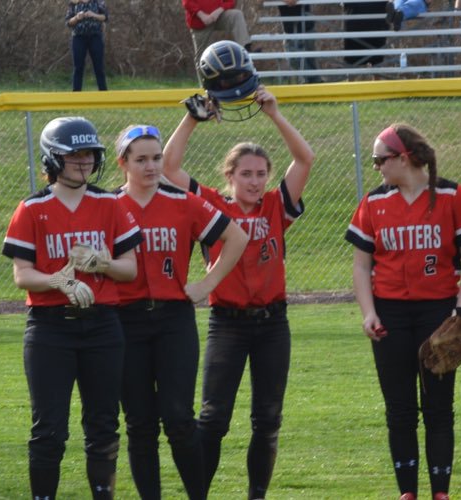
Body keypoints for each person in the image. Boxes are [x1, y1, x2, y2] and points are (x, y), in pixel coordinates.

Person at [161, 86, 316, 499]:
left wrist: (274, 114)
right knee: (214, 419)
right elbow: (169, 168)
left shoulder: (275, 206)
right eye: (246, 174)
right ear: (229, 176)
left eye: (261, 173)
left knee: (267, 420)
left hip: (273, 324)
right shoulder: (212, 205)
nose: (255, 181)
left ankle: (256, 495)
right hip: (227, 323)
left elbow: (305, 159)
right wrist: (191, 119)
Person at [3, 117, 142, 499]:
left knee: (103, 425)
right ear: (52, 158)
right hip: (50, 328)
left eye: (89, 154)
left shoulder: (109, 204)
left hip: (103, 326)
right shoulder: (32, 208)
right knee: (49, 429)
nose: (84, 162)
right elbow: (22, 274)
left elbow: (129, 269)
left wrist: (103, 264)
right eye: (74, 154)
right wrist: (58, 281)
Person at [348, 124, 461, 500]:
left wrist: (460, 312)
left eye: (380, 159)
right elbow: (361, 265)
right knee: (400, 410)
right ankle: (407, 493)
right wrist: (368, 313)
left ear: (404, 158)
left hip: (437, 313)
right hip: (389, 315)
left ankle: (440, 492)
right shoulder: (374, 202)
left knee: (439, 408)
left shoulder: (451, 196)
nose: (376, 166)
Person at [110, 124, 249, 499]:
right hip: (125, 320)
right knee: (140, 423)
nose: (151, 166)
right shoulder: (108, 205)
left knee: (179, 418)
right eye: (141, 159)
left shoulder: (182, 201)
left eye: (156, 158)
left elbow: (236, 237)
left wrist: (206, 284)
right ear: (123, 163)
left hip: (173, 320)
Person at [184, 0, 251, 70]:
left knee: (236, 15)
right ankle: (203, 76)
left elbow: (230, 1)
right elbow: (187, 2)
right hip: (199, 21)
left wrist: (218, 11)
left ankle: (245, 49)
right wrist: (202, 16)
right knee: (202, 57)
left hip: (218, 16)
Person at [66, 0, 109, 92]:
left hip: (95, 37)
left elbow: (105, 17)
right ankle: (76, 93)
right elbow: (68, 22)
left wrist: (93, 15)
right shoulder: (73, 3)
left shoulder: (98, 2)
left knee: (99, 67)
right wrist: (77, 17)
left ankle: (103, 93)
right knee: (78, 67)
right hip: (78, 37)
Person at [278, 0, 323, 84]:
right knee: (294, 60)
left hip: (306, 28)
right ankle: (314, 81)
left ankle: (313, 82)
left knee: (308, 61)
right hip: (290, 30)